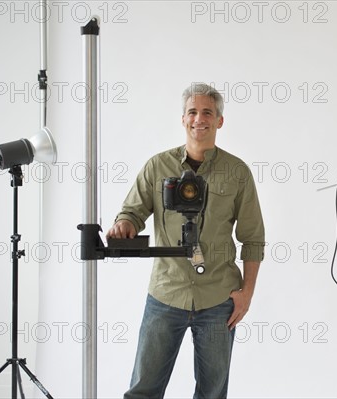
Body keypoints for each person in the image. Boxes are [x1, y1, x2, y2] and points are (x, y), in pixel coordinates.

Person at [107, 83, 265, 399]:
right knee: (143, 390)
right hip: (166, 293)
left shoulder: (237, 172)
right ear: (183, 119)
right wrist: (124, 224)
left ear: (219, 120)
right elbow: (131, 212)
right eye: (192, 112)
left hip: (219, 299)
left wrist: (246, 293)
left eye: (208, 112)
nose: (199, 119)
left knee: (212, 393)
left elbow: (253, 239)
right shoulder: (157, 167)